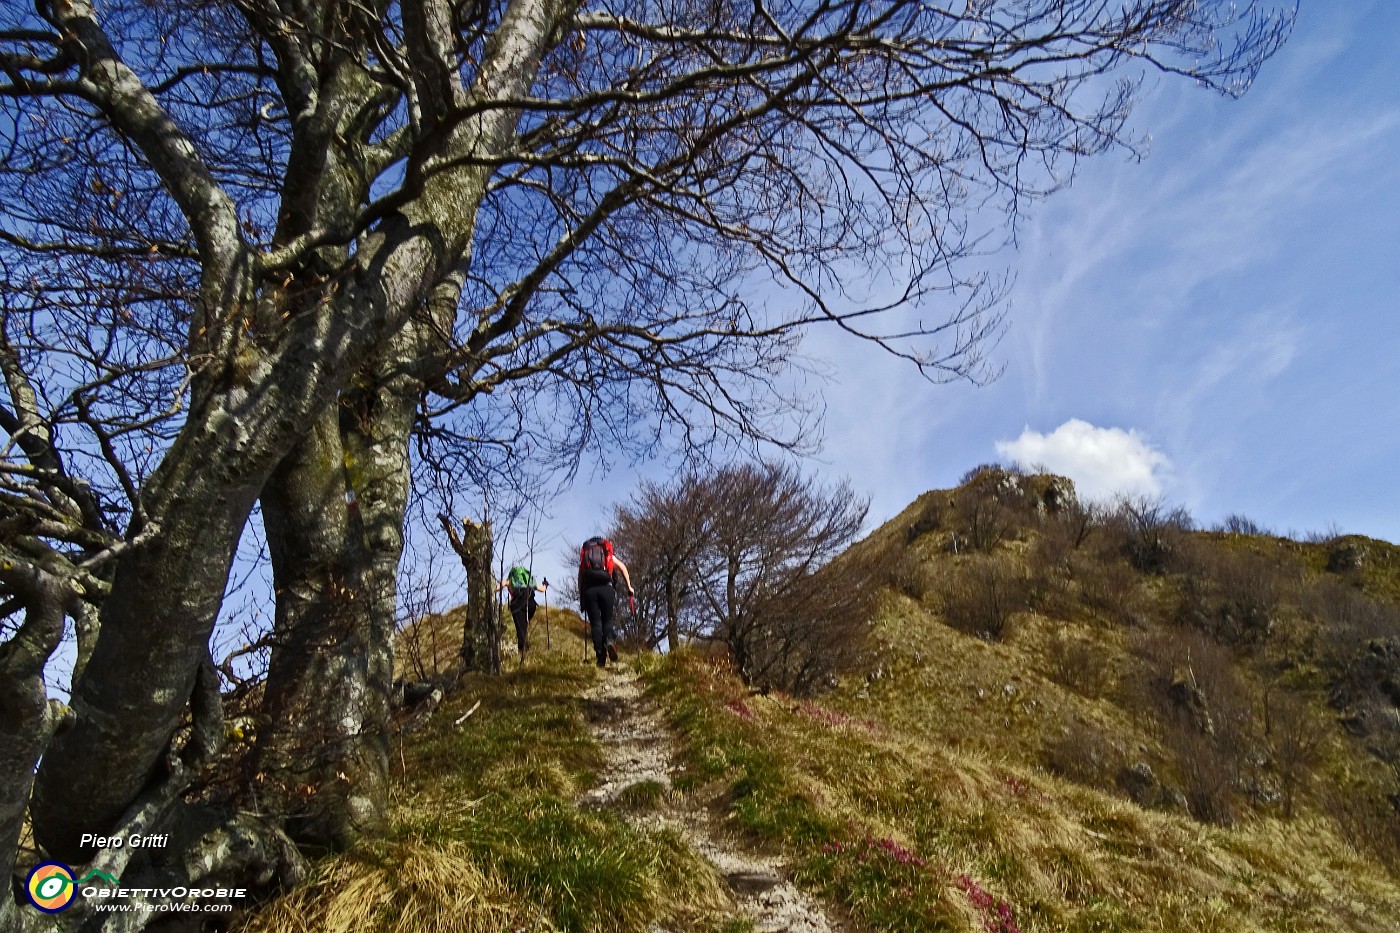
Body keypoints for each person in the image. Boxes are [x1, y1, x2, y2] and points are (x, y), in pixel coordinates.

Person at [577, 536, 634, 668]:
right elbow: (622, 567)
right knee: (607, 621)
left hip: (589, 590)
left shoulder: (585, 559)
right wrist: (629, 586)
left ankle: (600, 656)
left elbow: (580, 578)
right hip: (607, 588)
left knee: (596, 623)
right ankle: (609, 641)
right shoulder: (608, 555)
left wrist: (582, 595)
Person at [498, 566, 548, 661]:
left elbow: (499, 586)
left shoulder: (510, 580)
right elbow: (542, 589)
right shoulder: (528, 581)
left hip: (517, 604)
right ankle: (524, 649)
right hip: (531, 604)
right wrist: (545, 584)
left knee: (521, 628)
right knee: (524, 625)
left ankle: (523, 652)